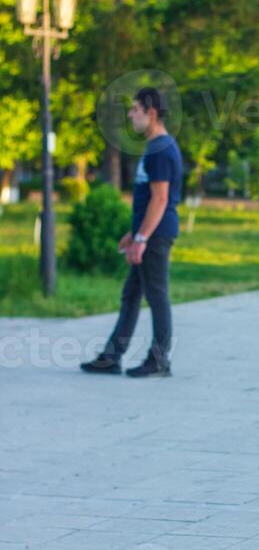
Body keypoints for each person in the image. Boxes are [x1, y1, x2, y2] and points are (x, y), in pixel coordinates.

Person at [81, 87, 182, 377]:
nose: (130, 115)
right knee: (132, 295)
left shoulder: (161, 149)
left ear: (150, 113)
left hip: (156, 234)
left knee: (156, 294)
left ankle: (160, 360)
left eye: (134, 109)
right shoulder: (154, 147)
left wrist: (142, 238)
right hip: (148, 232)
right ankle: (111, 358)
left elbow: (160, 199)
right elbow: (148, 199)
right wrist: (133, 232)